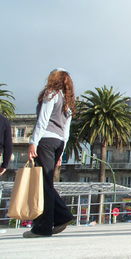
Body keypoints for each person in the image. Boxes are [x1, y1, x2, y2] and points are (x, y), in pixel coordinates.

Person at [23, 68, 76, 238]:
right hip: (59, 142)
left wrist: (33, 142)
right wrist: (61, 153)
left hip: (45, 140)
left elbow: (43, 120)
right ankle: (62, 217)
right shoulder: (68, 101)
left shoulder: (51, 93)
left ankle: (42, 227)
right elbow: (66, 131)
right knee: (46, 183)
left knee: (42, 184)